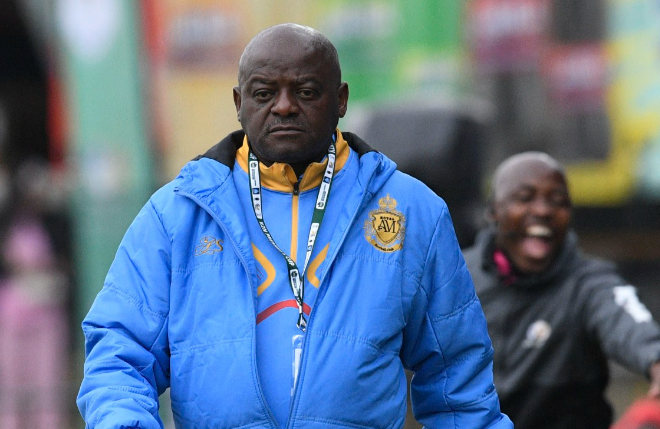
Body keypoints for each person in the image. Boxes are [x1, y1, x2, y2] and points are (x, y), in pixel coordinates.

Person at [76, 23, 512, 429]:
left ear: (340, 100)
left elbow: (459, 384)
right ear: (239, 103)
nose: (284, 107)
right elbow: (119, 355)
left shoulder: (412, 212)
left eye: (305, 91)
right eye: (264, 93)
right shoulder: (176, 214)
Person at [463, 151, 660, 429]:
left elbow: (627, 321)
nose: (543, 211)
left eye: (558, 202)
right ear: (494, 210)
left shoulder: (589, 284)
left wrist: (655, 358)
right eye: (525, 198)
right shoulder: (456, 280)